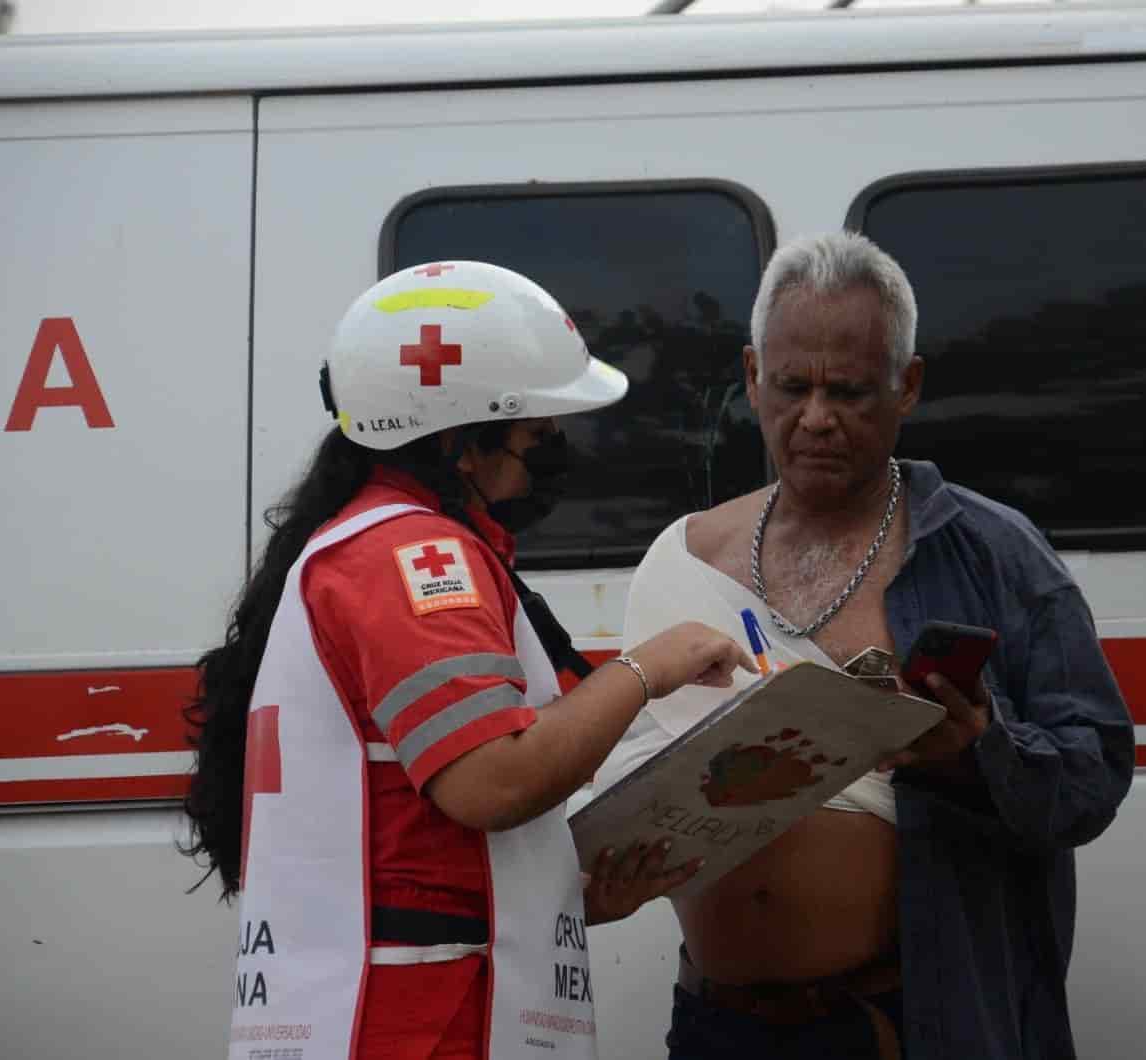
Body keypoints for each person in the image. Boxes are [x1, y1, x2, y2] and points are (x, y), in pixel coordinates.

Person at [181, 261, 754, 1060]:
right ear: (458, 439)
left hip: (399, 1003)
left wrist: (567, 896)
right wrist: (653, 664)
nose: (554, 447)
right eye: (536, 429)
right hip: (420, 1018)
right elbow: (492, 781)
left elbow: (402, 845)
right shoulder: (413, 553)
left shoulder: (374, 541)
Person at [594, 231, 1136, 1060]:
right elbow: (636, 774)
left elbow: (1093, 773)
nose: (817, 419)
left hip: (903, 1026)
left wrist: (974, 753)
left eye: (848, 391)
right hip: (716, 1027)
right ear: (750, 377)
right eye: (791, 387)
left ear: (907, 386)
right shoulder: (684, 557)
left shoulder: (993, 554)